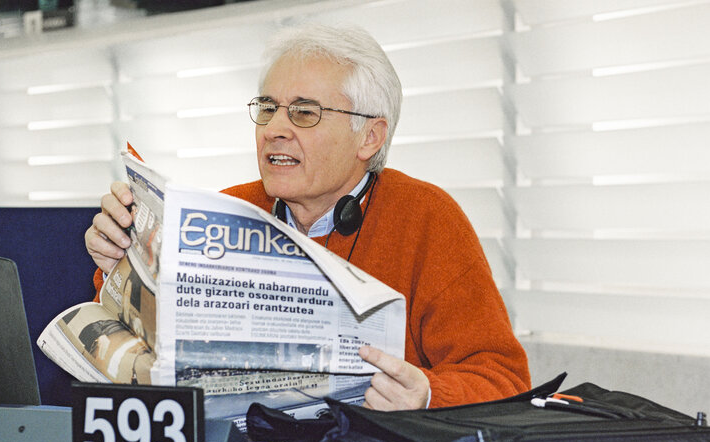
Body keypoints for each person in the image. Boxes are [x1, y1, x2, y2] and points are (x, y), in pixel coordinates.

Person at [85, 24, 531, 410]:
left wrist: (428, 393)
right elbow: (146, 349)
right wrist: (117, 263)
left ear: (369, 137)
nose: (276, 127)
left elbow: (503, 378)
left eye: (303, 112)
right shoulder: (225, 212)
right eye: (267, 108)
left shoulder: (428, 218)